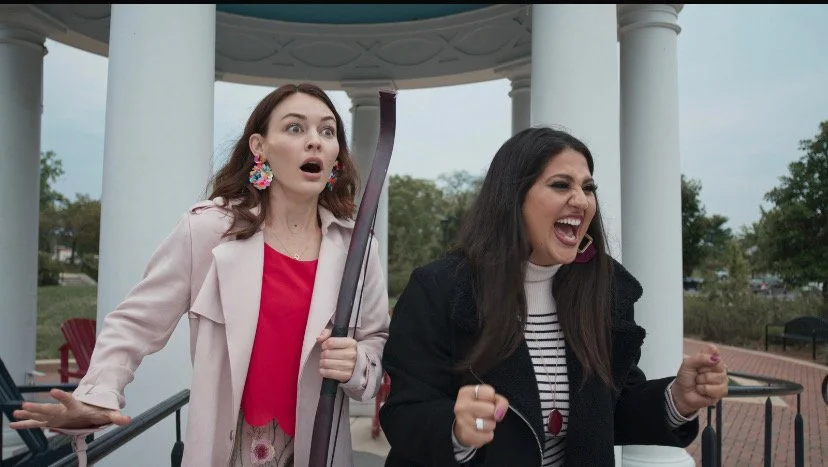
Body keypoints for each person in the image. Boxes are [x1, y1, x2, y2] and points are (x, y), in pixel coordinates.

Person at [11, 83, 390, 467]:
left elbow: (376, 341)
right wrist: (97, 394)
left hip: (319, 451)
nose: (315, 142)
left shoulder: (358, 249)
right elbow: (133, 324)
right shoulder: (209, 230)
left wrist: (357, 362)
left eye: (327, 132)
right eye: (295, 128)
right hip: (225, 450)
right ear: (259, 147)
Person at [378, 127, 729, 466]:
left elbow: (610, 411)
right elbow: (404, 412)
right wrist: (456, 429)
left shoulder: (604, 291)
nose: (581, 200)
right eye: (561, 185)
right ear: (513, 198)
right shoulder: (440, 289)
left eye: (588, 188)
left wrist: (676, 400)